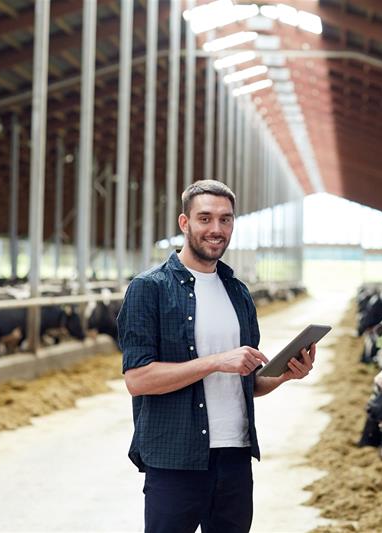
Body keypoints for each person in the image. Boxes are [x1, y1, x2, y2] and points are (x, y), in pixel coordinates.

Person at [117, 179, 316, 533]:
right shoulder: (149, 289)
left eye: (225, 220)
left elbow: (247, 383)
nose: (216, 229)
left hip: (235, 457)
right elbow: (138, 379)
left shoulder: (238, 293)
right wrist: (215, 361)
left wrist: (285, 374)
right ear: (184, 223)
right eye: (205, 218)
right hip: (175, 459)